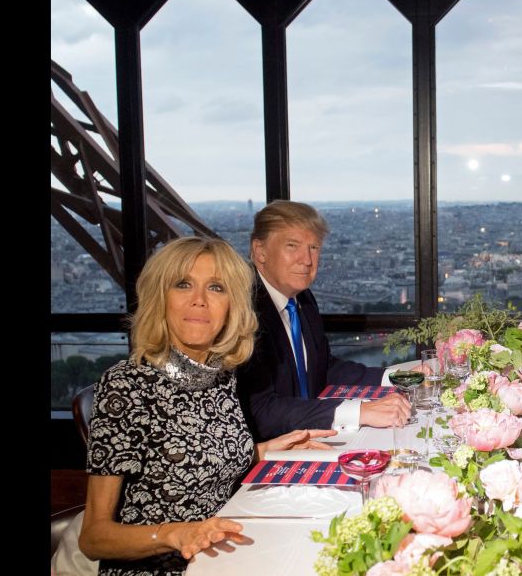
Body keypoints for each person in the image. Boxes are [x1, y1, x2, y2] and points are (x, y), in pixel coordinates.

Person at [79, 237, 337, 575]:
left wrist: (265, 450)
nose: (199, 301)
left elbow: (200, 459)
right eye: (183, 284)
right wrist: (177, 534)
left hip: (222, 554)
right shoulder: (126, 386)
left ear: (232, 305)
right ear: (160, 298)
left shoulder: (221, 374)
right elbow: (94, 537)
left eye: (216, 288)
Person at [236, 200, 409, 442]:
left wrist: (396, 376)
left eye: (314, 248)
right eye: (292, 246)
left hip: (309, 433)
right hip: (268, 451)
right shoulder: (243, 311)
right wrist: (360, 412)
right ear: (260, 251)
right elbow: (262, 413)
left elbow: (323, 369)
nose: (306, 260)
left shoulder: (302, 299)